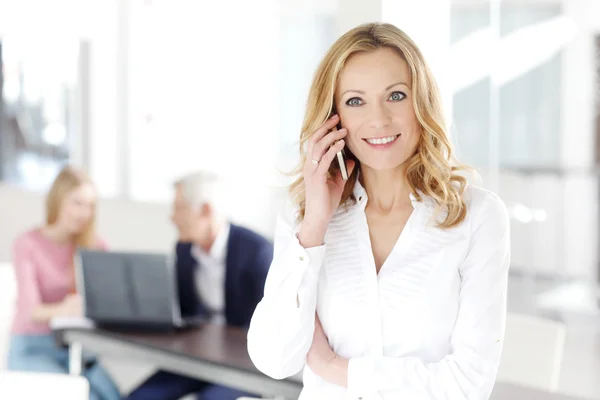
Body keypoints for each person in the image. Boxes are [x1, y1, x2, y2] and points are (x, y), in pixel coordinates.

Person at [247, 22, 511, 400]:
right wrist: (315, 227)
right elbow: (274, 359)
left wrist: (335, 368)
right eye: (356, 101)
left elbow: (468, 386)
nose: (379, 120)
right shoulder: (304, 213)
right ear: (333, 117)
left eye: (396, 95)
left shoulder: (478, 217)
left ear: (422, 102)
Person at [126, 171, 273, 400]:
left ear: (205, 211)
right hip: (197, 360)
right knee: (140, 397)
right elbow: (180, 310)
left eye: (179, 208)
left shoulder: (257, 252)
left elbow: (270, 328)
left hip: (243, 367)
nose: (172, 218)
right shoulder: (184, 250)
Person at [7, 166, 122, 400]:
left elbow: (110, 300)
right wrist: (68, 308)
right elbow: (31, 311)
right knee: (84, 395)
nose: (84, 213)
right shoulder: (28, 244)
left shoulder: (94, 246)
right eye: (77, 203)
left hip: (78, 348)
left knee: (115, 396)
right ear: (58, 201)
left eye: (90, 205)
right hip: (32, 346)